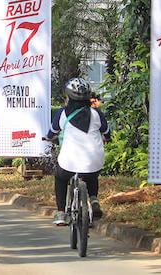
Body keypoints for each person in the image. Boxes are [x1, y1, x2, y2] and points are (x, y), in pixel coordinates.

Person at [46, 78, 111, 226]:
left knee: (60, 178)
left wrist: (49, 138)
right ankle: (93, 199)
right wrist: (107, 138)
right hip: (94, 160)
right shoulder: (97, 114)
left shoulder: (62, 113)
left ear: (68, 96)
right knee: (92, 174)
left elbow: (52, 132)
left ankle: (61, 213)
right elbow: (107, 133)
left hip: (69, 161)